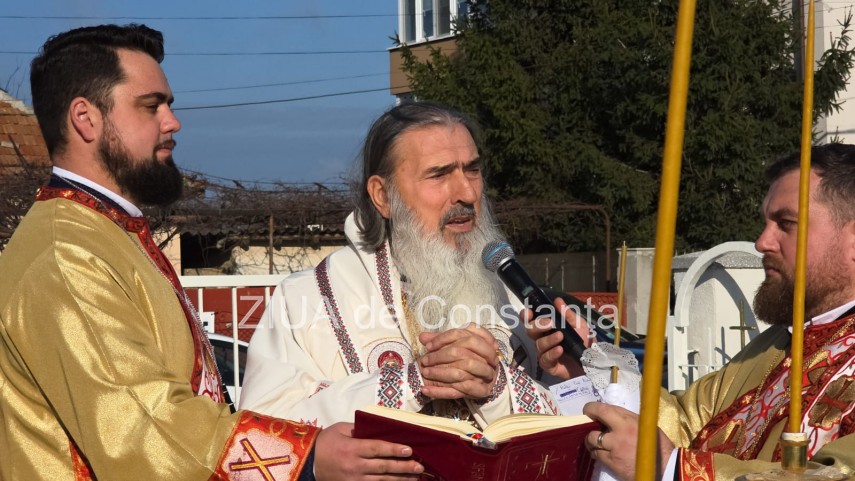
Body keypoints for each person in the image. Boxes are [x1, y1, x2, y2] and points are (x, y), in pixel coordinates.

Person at [0, 24, 424, 480]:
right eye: (151, 106)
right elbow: (140, 426)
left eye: (169, 105)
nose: (172, 122)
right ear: (86, 118)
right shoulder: (65, 256)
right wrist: (306, 459)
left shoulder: (103, 232)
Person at [527, 143, 855, 480]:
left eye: (786, 223)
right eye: (766, 222)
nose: (762, 242)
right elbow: (683, 423)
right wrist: (588, 367)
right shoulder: (776, 344)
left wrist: (671, 468)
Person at [241, 101, 560, 429]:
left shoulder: (516, 297)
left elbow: (578, 422)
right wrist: (413, 383)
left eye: (473, 170)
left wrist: (498, 388)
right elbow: (261, 430)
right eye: (439, 174)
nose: (466, 192)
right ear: (383, 195)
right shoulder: (305, 299)